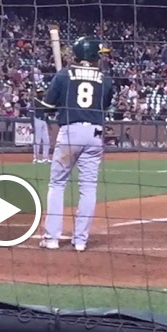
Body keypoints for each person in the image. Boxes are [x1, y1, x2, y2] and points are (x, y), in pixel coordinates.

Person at [38, 37, 113, 252]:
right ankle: (80, 241)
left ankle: (52, 238)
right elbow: (104, 105)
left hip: (70, 132)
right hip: (95, 134)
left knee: (57, 184)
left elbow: (47, 107)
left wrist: (56, 101)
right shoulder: (106, 79)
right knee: (88, 187)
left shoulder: (63, 75)